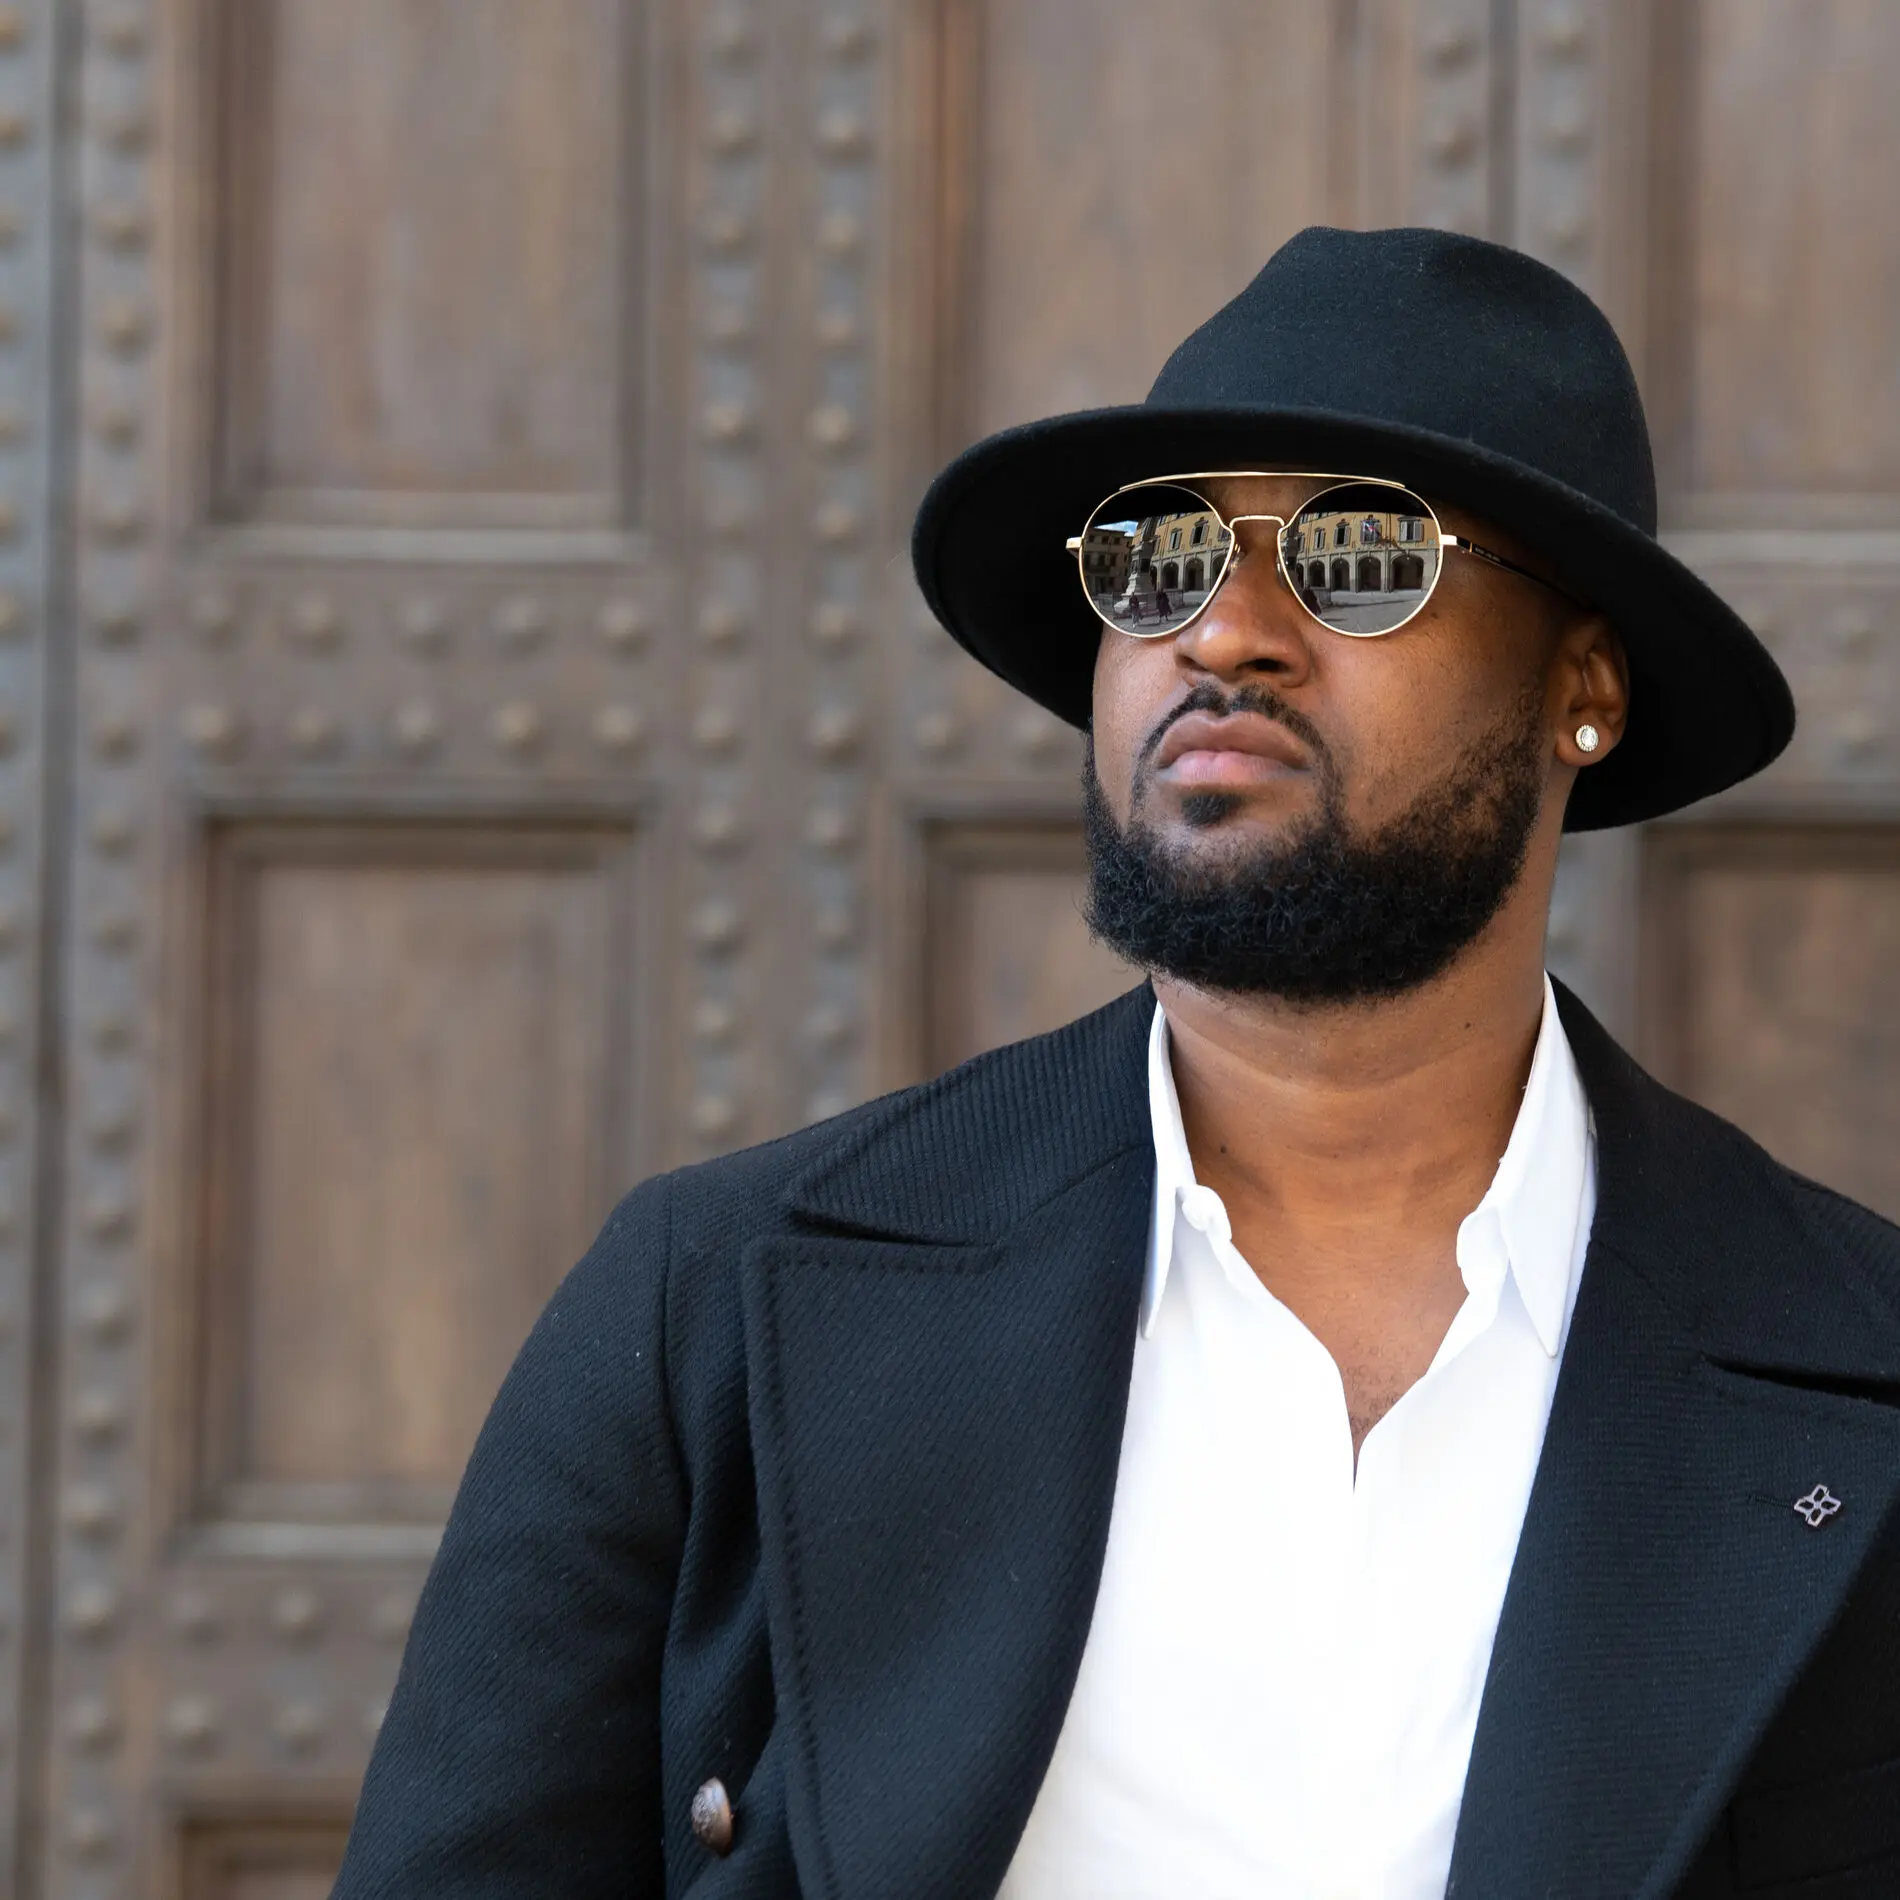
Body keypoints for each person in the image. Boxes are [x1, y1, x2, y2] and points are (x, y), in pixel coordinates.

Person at [332, 228, 1900, 1900]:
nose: (1224, 634)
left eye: (1358, 554)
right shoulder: (707, 1305)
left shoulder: (1852, 1363)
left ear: (1583, 689)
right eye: (1161, 557)